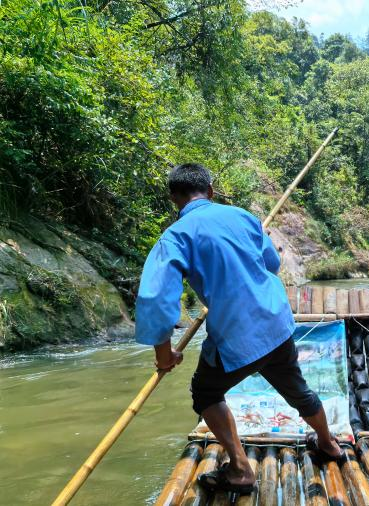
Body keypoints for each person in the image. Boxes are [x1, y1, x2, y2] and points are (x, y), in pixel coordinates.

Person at [135, 163, 342, 494]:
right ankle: (329, 445)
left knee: (205, 392)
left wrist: (164, 355)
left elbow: (156, 299)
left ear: (174, 199)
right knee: (296, 388)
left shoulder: (175, 237)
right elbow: (271, 264)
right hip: (276, 322)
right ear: (211, 191)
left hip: (238, 333)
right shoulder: (242, 216)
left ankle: (241, 470)